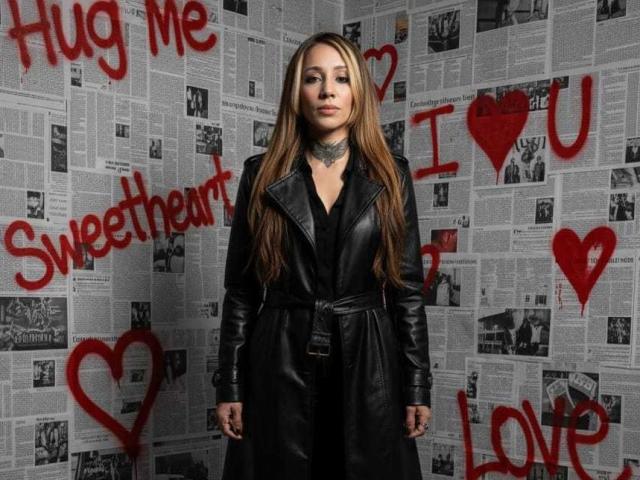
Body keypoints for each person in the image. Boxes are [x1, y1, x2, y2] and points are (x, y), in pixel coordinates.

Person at [213, 32, 432, 480]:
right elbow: (242, 291)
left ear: (357, 92)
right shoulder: (261, 175)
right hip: (279, 361)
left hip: (367, 363)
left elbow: (406, 290)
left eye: (341, 78)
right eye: (313, 78)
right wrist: (231, 383)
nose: (327, 91)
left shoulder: (392, 175)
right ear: (297, 92)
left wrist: (416, 384)